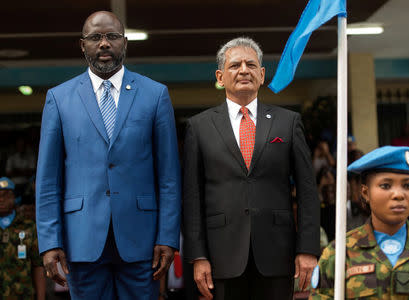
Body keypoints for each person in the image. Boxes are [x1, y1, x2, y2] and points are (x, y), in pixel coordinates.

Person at [35, 11, 181, 299]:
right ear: (82, 45)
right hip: (81, 239)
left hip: (143, 240)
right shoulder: (59, 98)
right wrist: (50, 242)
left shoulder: (155, 94)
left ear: (125, 43)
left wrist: (167, 236)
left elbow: (169, 176)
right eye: (95, 37)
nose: (104, 43)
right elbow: (48, 179)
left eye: (112, 36)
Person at [183, 37, 320, 300]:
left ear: (261, 74)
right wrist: (198, 256)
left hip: (278, 253)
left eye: (251, 64)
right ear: (220, 76)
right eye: (235, 65)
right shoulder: (199, 127)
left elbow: (307, 191)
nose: (244, 70)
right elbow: (192, 196)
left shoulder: (288, 122)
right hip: (221, 255)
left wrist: (307, 249)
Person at [310, 146, 409, 299]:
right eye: (386, 186)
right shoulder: (339, 254)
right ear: (365, 193)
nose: (398, 194)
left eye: (408, 185)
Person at [0, 177, 45, 299]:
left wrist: (41, 297)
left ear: (14, 197)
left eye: (6, 195)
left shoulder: (29, 226)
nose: (1, 199)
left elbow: (38, 265)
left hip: (22, 295)